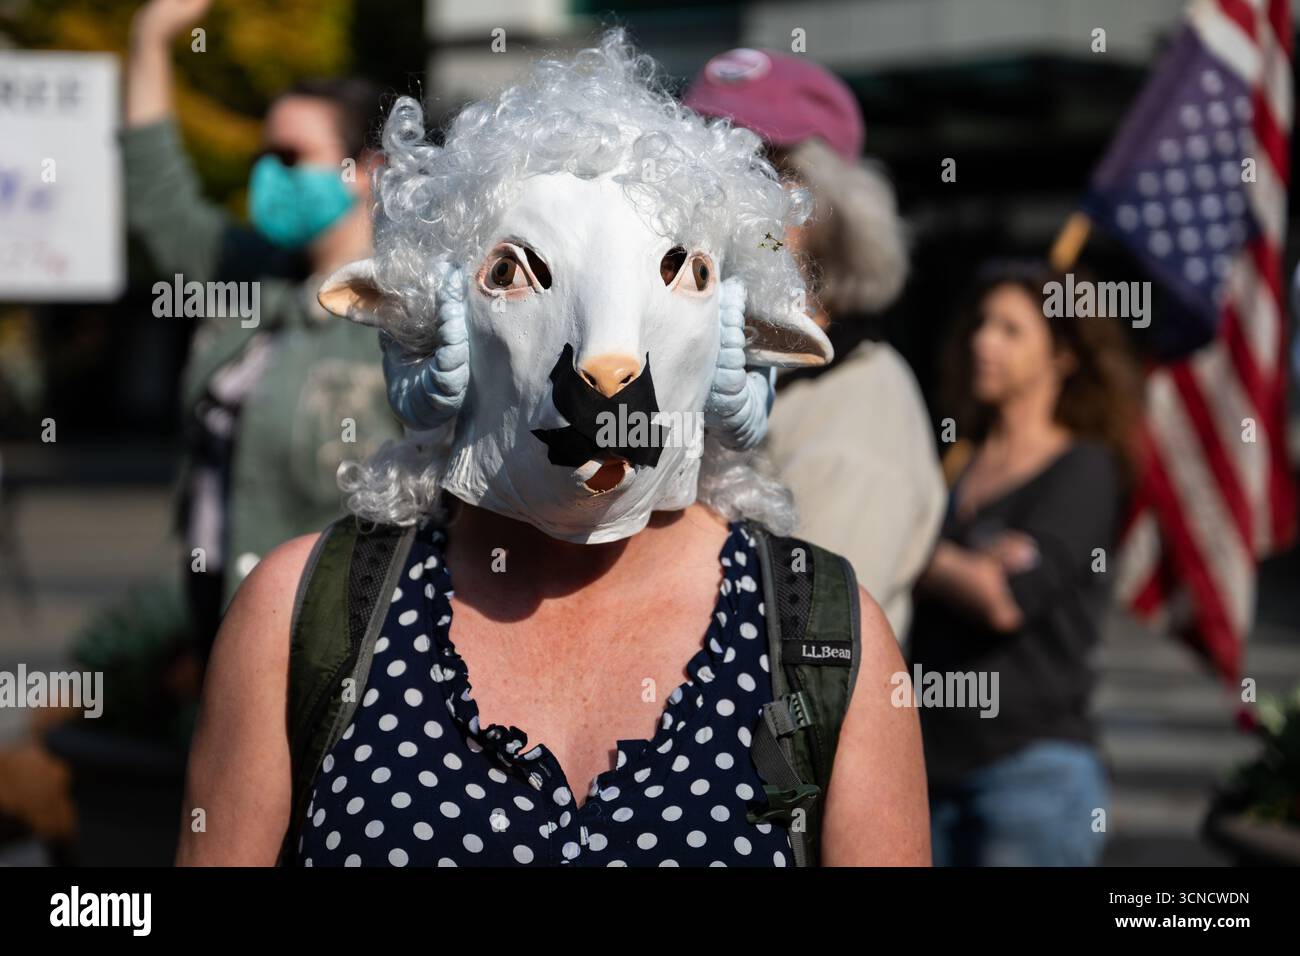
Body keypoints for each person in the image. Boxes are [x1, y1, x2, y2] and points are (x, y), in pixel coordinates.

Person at [175, 30, 929, 867]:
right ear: (435, 310)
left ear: (734, 332)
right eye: (511, 274)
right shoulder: (297, 618)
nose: (610, 359)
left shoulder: (822, 640)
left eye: (681, 275)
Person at [124, 0, 401, 656]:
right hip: (222, 630)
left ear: (367, 171)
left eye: (291, 155)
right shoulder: (254, 277)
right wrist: (149, 40)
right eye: (262, 154)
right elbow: (158, 200)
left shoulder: (408, 314)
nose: (267, 175)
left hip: (341, 654)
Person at [683, 48, 945, 645]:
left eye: (763, 168)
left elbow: (805, 642)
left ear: (834, 216)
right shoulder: (676, 355)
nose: (723, 195)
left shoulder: (857, 408)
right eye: (701, 157)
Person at [909, 259, 1141, 866]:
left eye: (1012, 330)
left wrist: (919, 550)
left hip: (1030, 776)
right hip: (928, 767)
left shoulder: (1082, 468)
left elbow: (1004, 599)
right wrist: (966, 561)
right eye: (983, 324)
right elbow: (978, 579)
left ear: (1063, 354)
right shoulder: (961, 458)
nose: (984, 342)